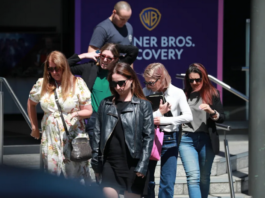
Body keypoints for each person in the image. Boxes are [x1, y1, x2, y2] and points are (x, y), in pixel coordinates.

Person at [27, 51, 93, 183]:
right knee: (53, 175)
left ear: (64, 67)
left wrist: (76, 114)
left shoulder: (77, 83)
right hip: (50, 136)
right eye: (50, 69)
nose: (54, 72)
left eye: (57, 68)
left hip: (73, 135)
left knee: (75, 175)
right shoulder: (42, 83)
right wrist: (34, 126)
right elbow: (31, 102)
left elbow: (88, 110)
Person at [91, 62, 154, 198]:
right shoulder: (105, 104)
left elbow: (148, 137)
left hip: (134, 164)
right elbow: (97, 134)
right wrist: (96, 163)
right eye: (114, 84)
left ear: (131, 80)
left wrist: (143, 164)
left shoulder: (143, 105)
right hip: (110, 163)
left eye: (121, 83)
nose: (118, 87)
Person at [68, 43, 138, 144]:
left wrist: (114, 47)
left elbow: (133, 51)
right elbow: (62, 66)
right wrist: (83, 55)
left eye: (109, 58)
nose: (105, 60)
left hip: (116, 117)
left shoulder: (119, 67)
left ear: (116, 59)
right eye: (102, 56)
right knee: (96, 155)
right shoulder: (90, 68)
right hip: (95, 119)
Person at [142, 63, 193, 198]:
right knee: (147, 180)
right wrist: (158, 113)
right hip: (149, 137)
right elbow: (138, 116)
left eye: (151, 83)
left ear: (162, 78)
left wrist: (166, 120)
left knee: (167, 182)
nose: (148, 86)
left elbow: (188, 116)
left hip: (170, 136)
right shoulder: (145, 92)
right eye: (146, 82)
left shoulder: (177, 92)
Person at [179, 63, 225, 198]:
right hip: (186, 140)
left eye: (197, 79)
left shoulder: (212, 93)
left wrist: (212, 112)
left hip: (206, 140)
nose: (194, 82)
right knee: (193, 177)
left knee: (204, 178)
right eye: (191, 80)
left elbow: (222, 117)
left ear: (203, 78)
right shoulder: (184, 95)